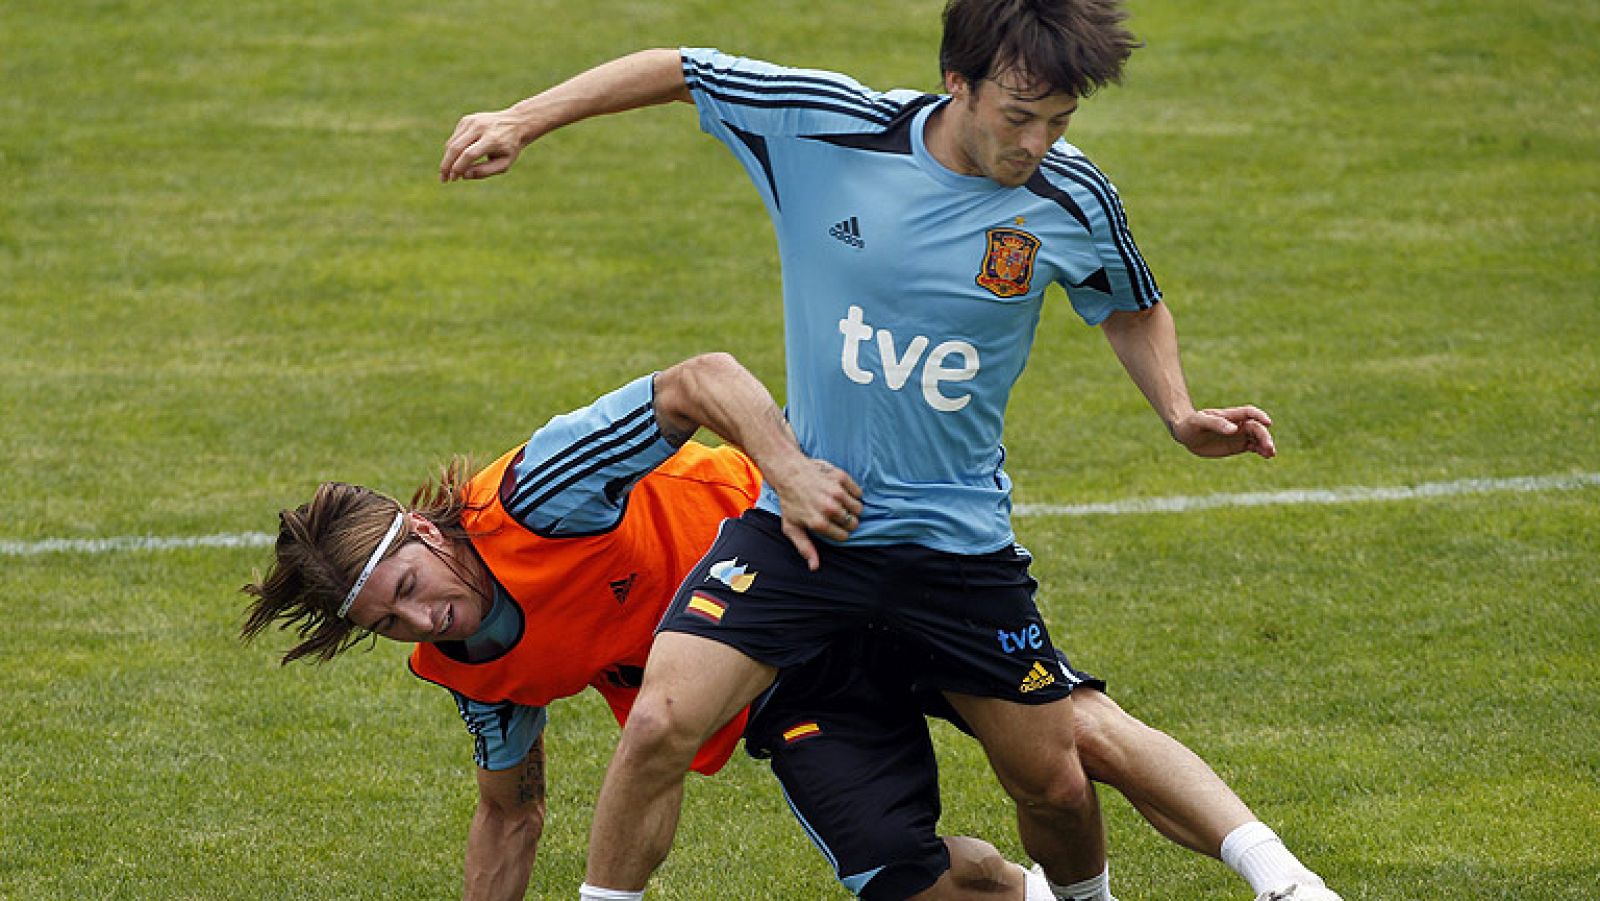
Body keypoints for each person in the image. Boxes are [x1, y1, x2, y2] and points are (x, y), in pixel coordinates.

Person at [437, 3, 1340, 900]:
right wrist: (523, 118)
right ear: (958, 82)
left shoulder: (1071, 197)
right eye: (1018, 115)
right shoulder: (829, 128)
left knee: (1055, 780)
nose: (1035, 142)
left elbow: (1129, 302)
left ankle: (1200, 886)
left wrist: (1180, 414)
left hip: (955, 545)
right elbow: (682, 67)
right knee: (662, 719)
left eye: (1059, 121)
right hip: (807, 524)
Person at [240, 352, 1054, 900]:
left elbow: (699, 379)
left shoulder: (539, 491)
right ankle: (1028, 888)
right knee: (901, 877)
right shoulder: (475, 667)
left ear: (422, 529)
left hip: (831, 560)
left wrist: (793, 475)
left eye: (411, 588)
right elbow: (508, 813)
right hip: (773, 679)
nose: (425, 619)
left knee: (1076, 745)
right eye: (391, 623)